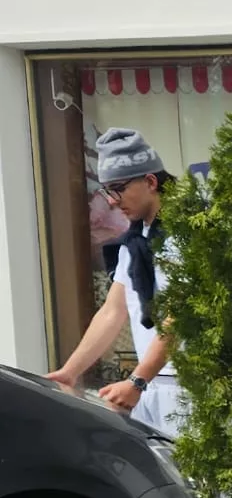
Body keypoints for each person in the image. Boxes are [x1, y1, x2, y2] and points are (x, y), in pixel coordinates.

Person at [48, 128, 185, 436]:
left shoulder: (187, 233)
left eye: (118, 189)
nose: (112, 201)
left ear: (150, 182)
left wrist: (137, 380)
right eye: (107, 190)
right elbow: (113, 311)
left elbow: (182, 314)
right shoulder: (134, 241)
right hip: (150, 384)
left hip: (188, 385)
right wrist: (70, 372)